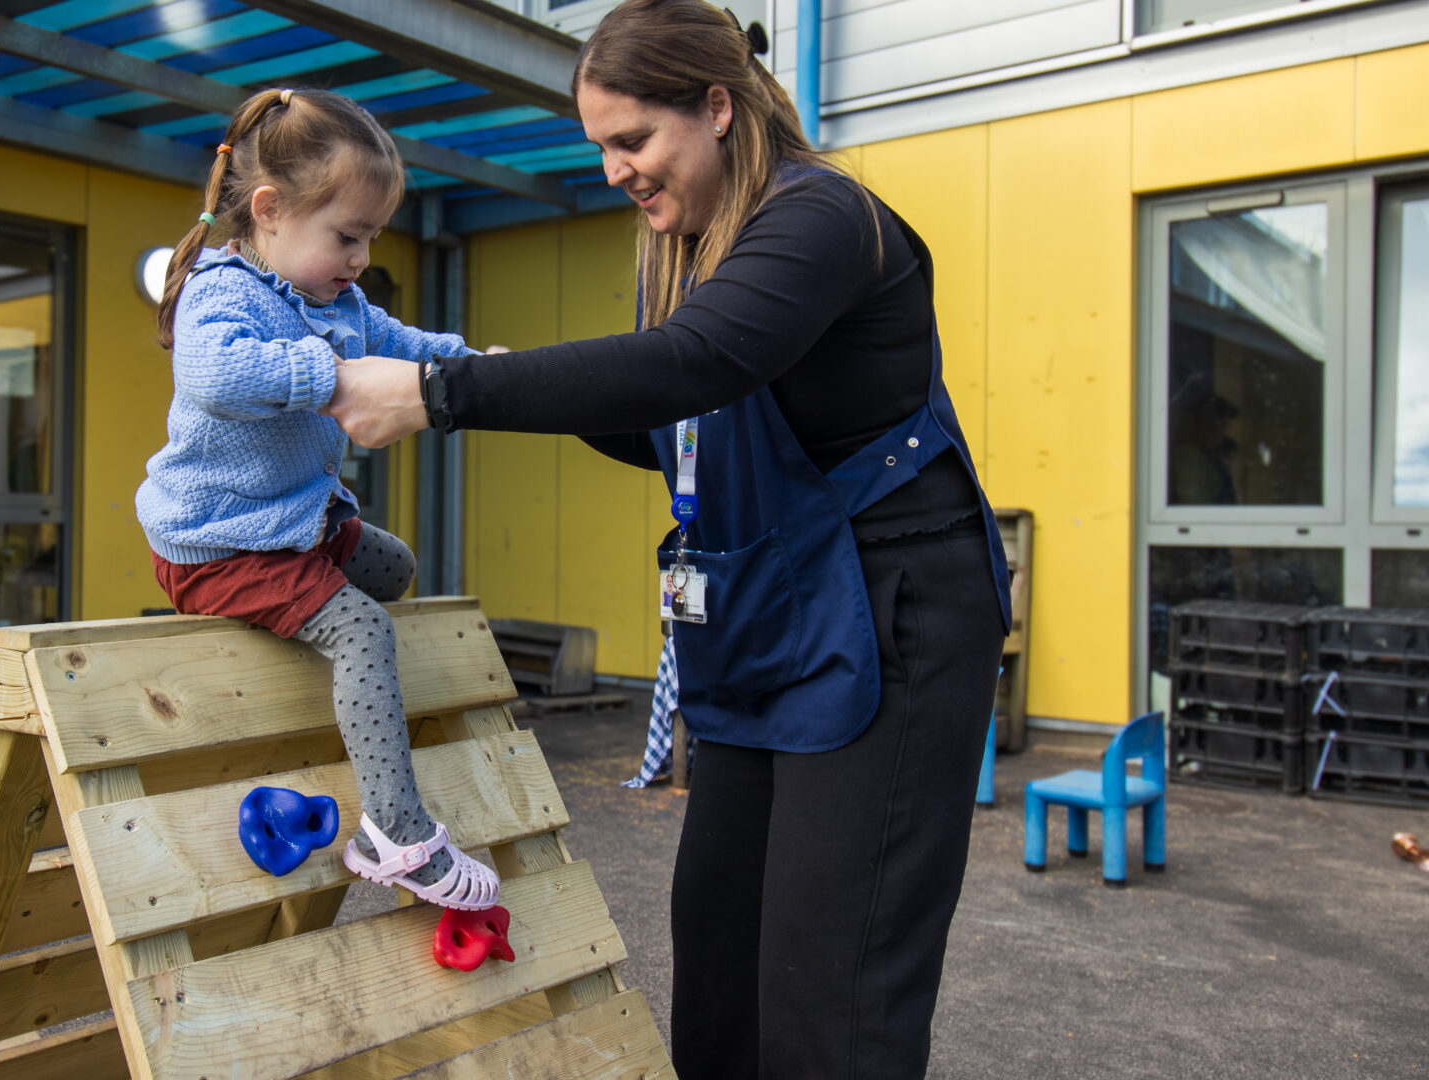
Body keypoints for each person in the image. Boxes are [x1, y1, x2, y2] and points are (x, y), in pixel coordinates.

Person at [321, 1, 1013, 1074]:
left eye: (632, 140)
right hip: (768, 614)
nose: (614, 172)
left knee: (830, 983)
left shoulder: (819, 218)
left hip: (893, 618)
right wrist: (516, 381)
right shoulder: (688, 248)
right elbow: (674, 427)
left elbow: (698, 364)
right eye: (600, 147)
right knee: (721, 948)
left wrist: (440, 390)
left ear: (718, 108)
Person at [137, 87, 499, 911]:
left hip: (296, 524)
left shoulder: (336, 300)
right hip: (223, 541)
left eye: (370, 237)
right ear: (269, 210)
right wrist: (334, 378)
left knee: (394, 567)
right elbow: (215, 374)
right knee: (363, 630)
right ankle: (396, 833)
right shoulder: (221, 290)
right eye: (347, 235)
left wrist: (489, 371)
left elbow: (410, 345)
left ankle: (319, 649)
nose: (361, 257)